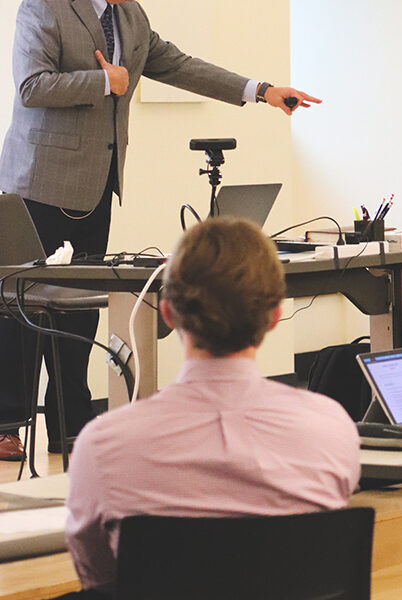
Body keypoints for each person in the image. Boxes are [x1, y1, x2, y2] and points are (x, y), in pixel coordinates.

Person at [0, 0, 321, 460]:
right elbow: (31, 86)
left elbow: (180, 66)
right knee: (20, 308)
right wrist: (103, 82)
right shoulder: (44, 7)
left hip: (95, 185)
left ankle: (68, 423)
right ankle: (6, 424)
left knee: (80, 312)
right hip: (37, 182)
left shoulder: (131, 16)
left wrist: (261, 90)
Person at [64, 217, 360, 596]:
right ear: (275, 315)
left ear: (168, 314)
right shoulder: (333, 428)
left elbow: (99, 579)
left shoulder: (102, 446)